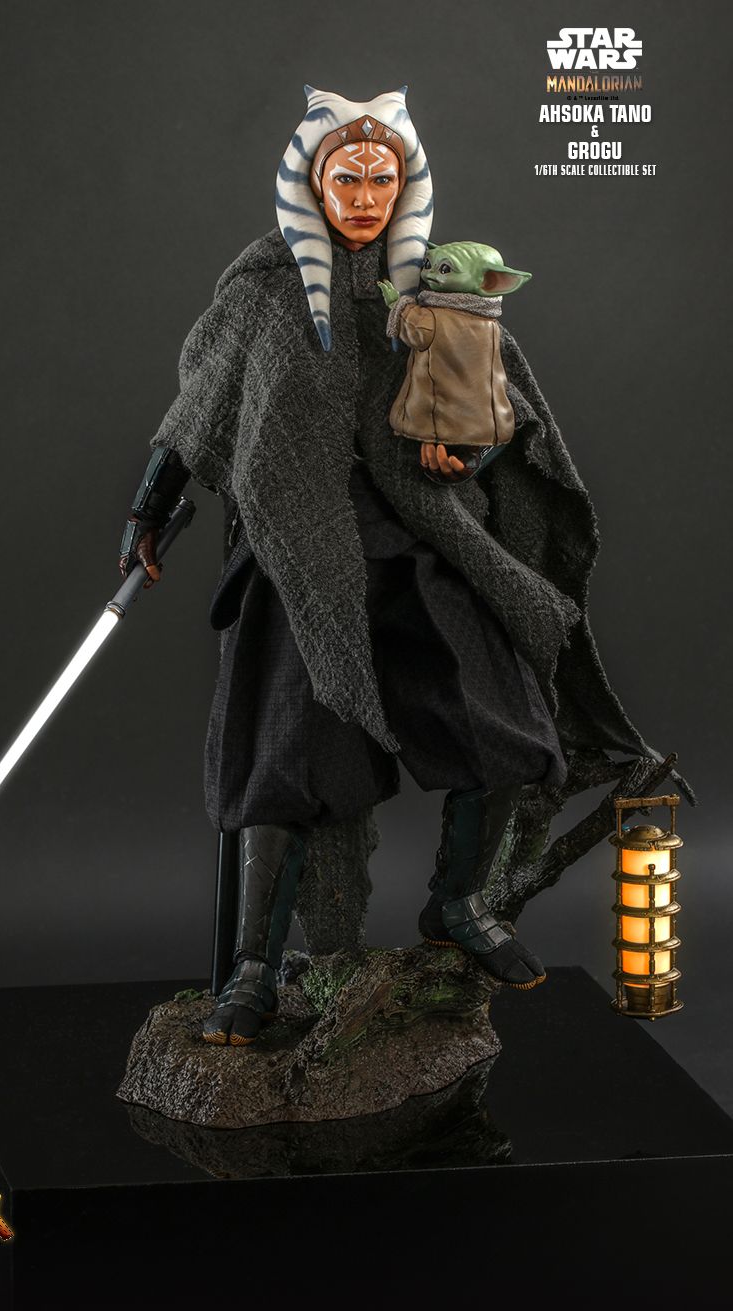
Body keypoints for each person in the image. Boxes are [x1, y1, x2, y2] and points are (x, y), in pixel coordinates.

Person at [118, 87, 680, 1045]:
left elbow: (495, 409)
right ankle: (253, 971)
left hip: (416, 533)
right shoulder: (265, 285)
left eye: (383, 178)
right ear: (312, 181)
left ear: (406, 182)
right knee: (285, 754)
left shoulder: (437, 282)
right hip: (298, 549)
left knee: (506, 718)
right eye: (348, 177)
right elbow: (204, 409)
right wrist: (151, 504)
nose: (366, 196)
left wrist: (468, 458)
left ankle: (457, 902)